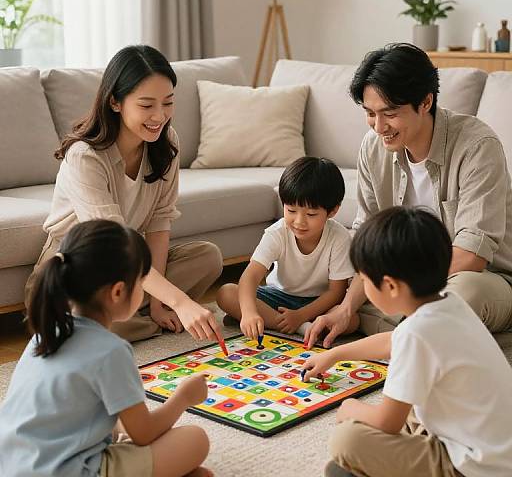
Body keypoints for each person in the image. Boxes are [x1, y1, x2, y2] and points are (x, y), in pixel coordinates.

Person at [306, 42, 512, 348]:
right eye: (369, 113)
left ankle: (397, 332)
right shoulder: (373, 146)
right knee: (337, 291)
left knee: (457, 297)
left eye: (389, 113)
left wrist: (402, 288)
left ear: (426, 102)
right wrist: (346, 307)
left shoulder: (477, 146)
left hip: (485, 276)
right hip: (407, 279)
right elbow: (368, 240)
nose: (378, 127)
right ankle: (411, 333)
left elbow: (472, 255)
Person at [25, 44, 224, 343]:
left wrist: (159, 305)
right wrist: (180, 302)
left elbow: (159, 222)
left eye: (168, 103)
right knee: (100, 323)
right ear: (115, 102)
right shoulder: (85, 156)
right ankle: (110, 323)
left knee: (208, 257)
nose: (160, 116)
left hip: (127, 271)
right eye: (146, 105)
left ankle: (135, 316)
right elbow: (114, 248)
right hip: (77, 272)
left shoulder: (166, 141)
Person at [302, 207, 512, 477]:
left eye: (365, 280)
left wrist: (351, 408)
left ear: (390, 286)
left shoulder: (417, 334)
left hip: (474, 466)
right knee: (413, 407)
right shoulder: (449, 304)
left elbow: (387, 422)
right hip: (494, 447)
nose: (363, 287)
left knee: (348, 439)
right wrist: (334, 355)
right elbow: (393, 341)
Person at [0, 220, 213, 477]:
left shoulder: (46, 333)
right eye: (142, 281)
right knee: (195, 439)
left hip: (11, 466)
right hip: (71, 470)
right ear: (118, 292)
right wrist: (183, 398)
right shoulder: (111, 350)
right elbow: (143, 434)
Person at [216, 156, 356, 338]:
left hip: (319, 302)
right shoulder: (277, 233)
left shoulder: (339, 237)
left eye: (311, 214)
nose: (299, 222)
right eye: (291, 211)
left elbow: (335, 292)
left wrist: (301, 315)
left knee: (352, 321)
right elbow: (250, 277)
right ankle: (302, 329)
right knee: (226, 293)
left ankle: (282, 323)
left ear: (333, 211)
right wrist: (249, 312)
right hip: (278, 296)